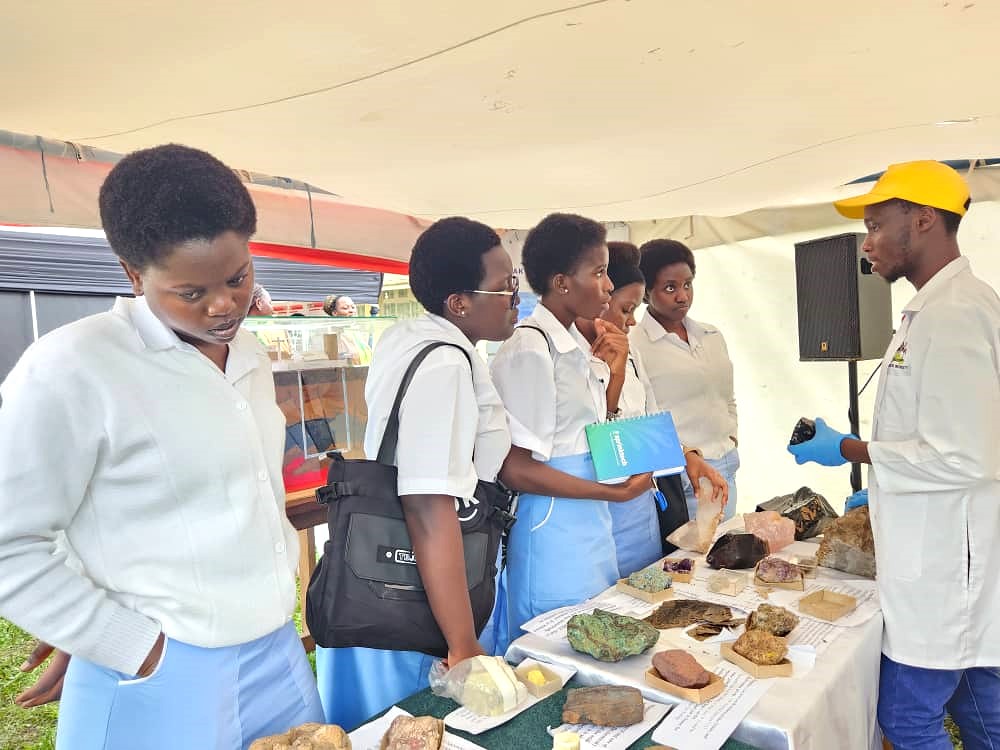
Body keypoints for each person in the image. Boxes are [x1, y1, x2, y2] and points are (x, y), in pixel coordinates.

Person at [0, 144, 323, 749]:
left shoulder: (248, 355)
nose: (225, 306)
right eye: (191, 293)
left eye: (237, 278)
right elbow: (12, 543)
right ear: (132, 274)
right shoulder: (73, 368)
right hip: (164, 671)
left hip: (276, 649)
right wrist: (127, 646)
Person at [788, 160, 1000, 749]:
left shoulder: (953, 314)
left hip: (945, 571)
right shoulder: (936, 308)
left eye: (878, 224)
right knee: (984, 719)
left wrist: (854, 449)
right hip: (948, 555)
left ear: (925, 219)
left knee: (907, 721)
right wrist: (877, 483)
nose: (867, 242)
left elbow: (969, 457)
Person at [314, 217, 521, 731]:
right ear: (459, 303)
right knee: (413, 728)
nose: (514, 297)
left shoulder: (411, 338)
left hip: (383, 574)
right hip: (412, 598)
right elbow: (428, 506)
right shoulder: (446, 363)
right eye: (503, 287)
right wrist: (462, 643)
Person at [490, 213, 679, 636]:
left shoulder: (577, 346)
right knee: (558, 645)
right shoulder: (531, 350)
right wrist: (611, 492)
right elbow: (515, 467)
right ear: (561, 283)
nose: (609, 285)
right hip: (554, 531)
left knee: (596, 641)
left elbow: (585, 434)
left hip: (592, 524)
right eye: (598, 272)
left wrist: (612, 380)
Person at [573, 241, 728, 575]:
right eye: (626, 309)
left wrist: (690, 457)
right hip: (609, 509)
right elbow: (603, 445)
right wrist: (614, 377)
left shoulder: (631, 354)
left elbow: (652, 424)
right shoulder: (576, 362)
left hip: (644, 504)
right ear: (600, 300)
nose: (631, 322)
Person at [631, 239, 740, 520]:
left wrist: (731, 437)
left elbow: (727, 396)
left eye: (688, 284)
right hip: (682, 473)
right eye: (670, 287)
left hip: (726, 462)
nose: (682, 296)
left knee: (726, 552)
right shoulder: (636, 345)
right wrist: (685, 457)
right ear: (646, 293)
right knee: (693, 559)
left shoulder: (711, 335)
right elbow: (642, 417)